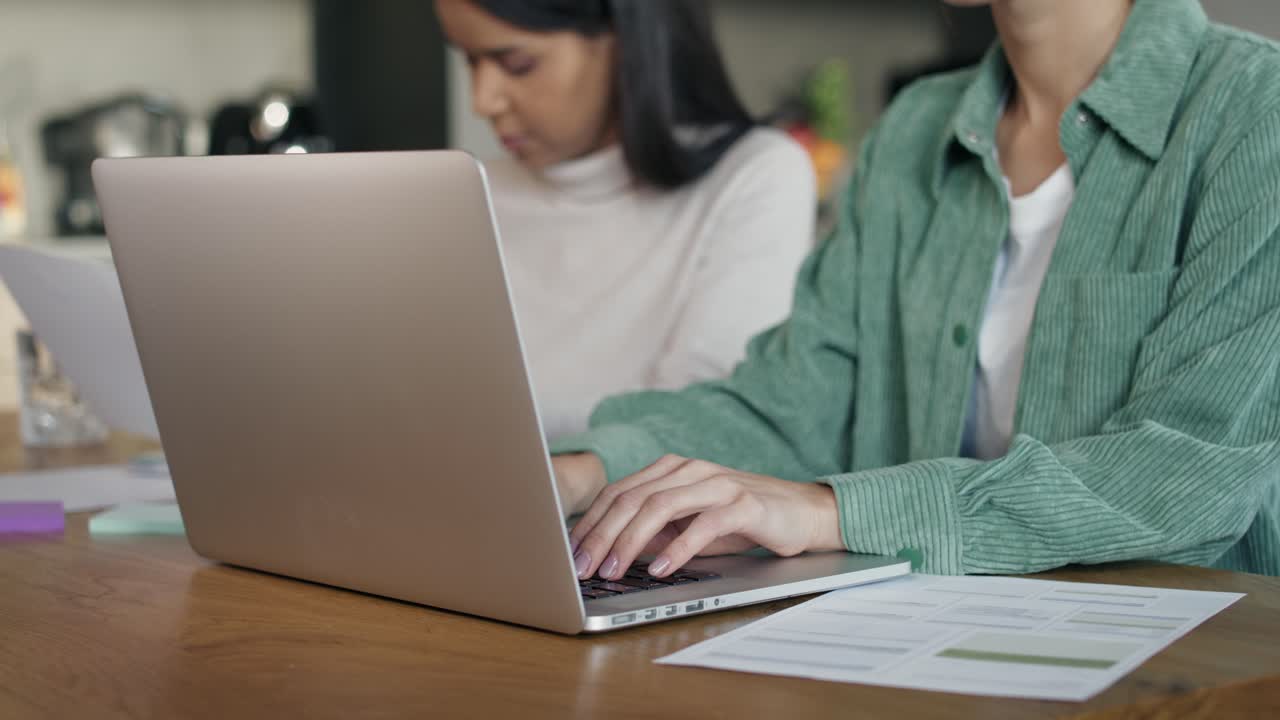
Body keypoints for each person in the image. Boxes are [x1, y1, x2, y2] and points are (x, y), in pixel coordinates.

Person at [551, 0, 1280, 583]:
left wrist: (830, 512)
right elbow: (796, 407)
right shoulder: (913, 132)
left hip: (1183, 662)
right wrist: (585, 475)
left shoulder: (1254, 112)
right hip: (930, 638)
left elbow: (1186, 473)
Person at [435, 0, 817, 439]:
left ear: (625, 43)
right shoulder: (468, 192)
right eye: (469, 58)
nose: (483, 100)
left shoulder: (754, 175)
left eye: (517, 63)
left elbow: (705, 421)